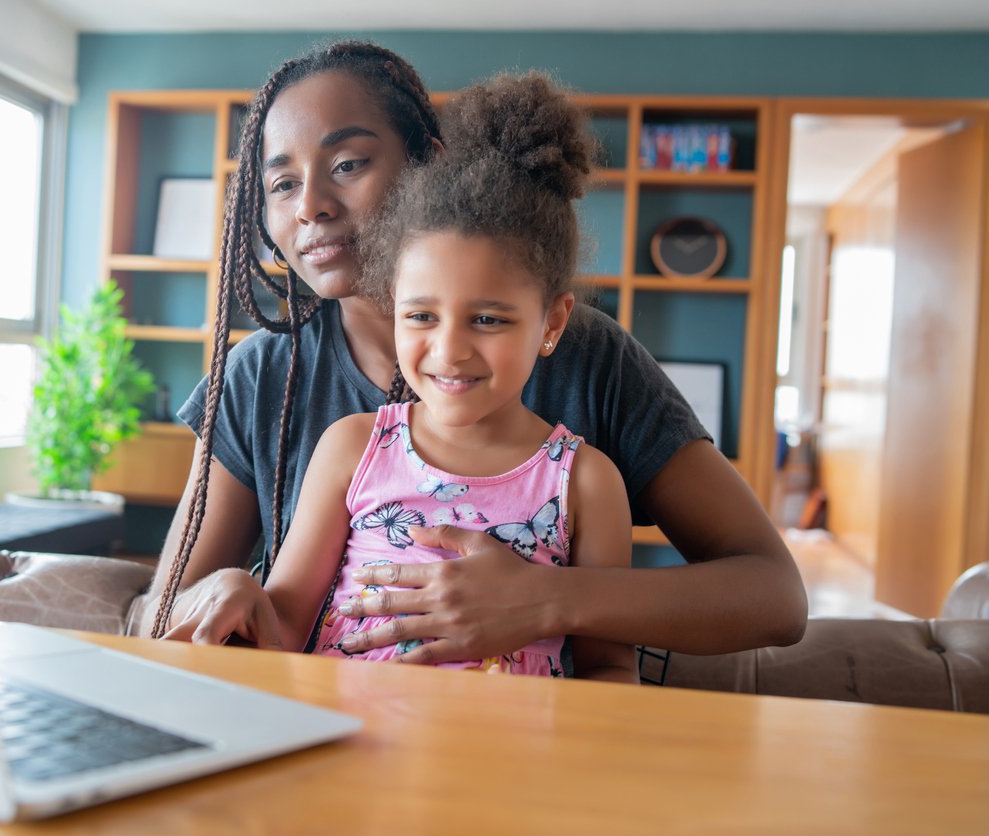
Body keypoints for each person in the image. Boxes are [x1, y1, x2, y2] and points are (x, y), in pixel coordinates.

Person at [147, 40, 807, 661]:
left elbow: (774, 597)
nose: (311, 205)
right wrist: (221, 593)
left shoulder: (590, 359)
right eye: (281, 183)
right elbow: (160, 616)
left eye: (347, 164)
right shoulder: (261, 376)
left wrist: (544, 599)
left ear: (427, 164)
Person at [259, 72, 637, 682]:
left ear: (551, 322)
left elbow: (611, 671)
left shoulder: (588, 484)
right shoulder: (353, 448)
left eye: (488, 318)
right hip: (346, 752)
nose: (449, 349)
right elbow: (281, 624)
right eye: (421, 316)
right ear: (392, 303)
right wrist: (232, 595)